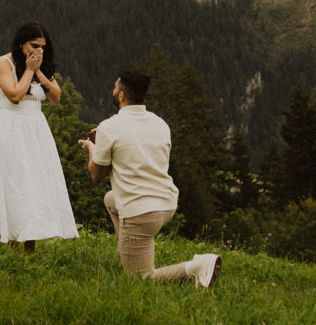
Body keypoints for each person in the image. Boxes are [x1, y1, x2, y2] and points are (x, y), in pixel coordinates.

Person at [79, 68, 220, 286]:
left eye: (116, 87)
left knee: (139, 280)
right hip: (166, 202)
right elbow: (137, 150)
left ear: (122, 95)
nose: (113, 90)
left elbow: (97, 175)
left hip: (141, 212)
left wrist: (93, 147)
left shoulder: (109, 127)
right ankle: (126, 249)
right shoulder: (160, 123)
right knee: (111, 199)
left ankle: (198, 266)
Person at [0, 22, 78, 251]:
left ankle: (31, 243)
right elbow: (15, 96)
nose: (38, 51)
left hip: (36, 129)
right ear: (21, 43)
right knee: (15, 183)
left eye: (43, 47)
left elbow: (56, 97)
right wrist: (28, 70)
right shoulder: (3, 63)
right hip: (11, 127)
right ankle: (12, 242)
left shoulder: (41, 66)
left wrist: (39, 71)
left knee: (36, 184)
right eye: (33, 45)